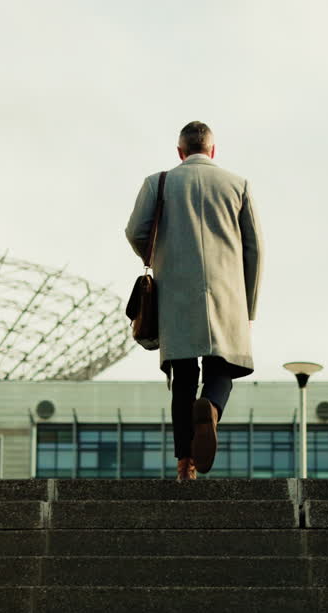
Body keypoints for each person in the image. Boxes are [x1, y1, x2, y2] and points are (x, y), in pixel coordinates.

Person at [125, 121, 263, 481]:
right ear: (213, 150)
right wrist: (248, 305)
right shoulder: (238, 185)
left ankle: (185, 465)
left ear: (180, 152)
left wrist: (161, 259)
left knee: (183, 374)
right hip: (228, 292)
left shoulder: (160, 182)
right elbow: (255, 249)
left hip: (176, 291)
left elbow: (135, 231)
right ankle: (212, 409)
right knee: (224, 367)